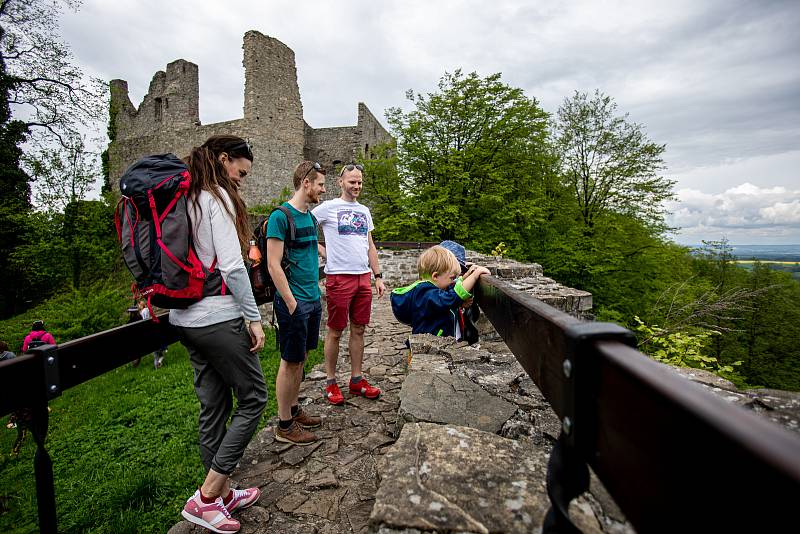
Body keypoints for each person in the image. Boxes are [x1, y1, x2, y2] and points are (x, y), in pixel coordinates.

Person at [171, 135, 267, 533]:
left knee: (213, 406)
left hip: (184, 318)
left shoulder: (187, 197)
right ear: (224, 159)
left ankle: (223, 493)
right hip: (217, 315)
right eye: (240, 172)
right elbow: (232, 266)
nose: (242, 180)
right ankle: (207, 497)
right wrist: (253, 316)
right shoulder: (217, 198)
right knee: (253, 398)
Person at [312, 163, 386, 405]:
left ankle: (356, 380)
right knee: (335, 330)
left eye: (360, 182)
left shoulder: (364, 210)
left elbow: (370, 245)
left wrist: (378, 275)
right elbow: (303, 227)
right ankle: (331, 381)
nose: (357, 186)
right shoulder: (328, 208)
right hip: (338, 277)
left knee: (359, 329)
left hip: (362, 277)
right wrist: (324, 252)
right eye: (352, 181)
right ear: (340, 182)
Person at [267, 161, 326, 445]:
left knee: (301, 358)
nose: (323, 190)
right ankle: (284, 425)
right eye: (320, 185)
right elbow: (273, 264)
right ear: (306, 183)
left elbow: (311, 248)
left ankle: (293, 409)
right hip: (294, 302)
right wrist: (291, 302)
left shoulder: (310, 218)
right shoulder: (281, 217)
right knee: (290, 361)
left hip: (312, 299)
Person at [390, 245, 491, 338]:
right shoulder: (426, 293)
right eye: (452, 278)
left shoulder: (429, 290)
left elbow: (447, 295)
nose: (454, 281)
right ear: (435, 276)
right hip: (431, 347)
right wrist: (474, 275)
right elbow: (452, 296)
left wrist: (466, 276)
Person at [137, 300, 166, 368]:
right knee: (159, 353)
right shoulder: (146, 310)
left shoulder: (144, 311)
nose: (138, 307)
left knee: (156, 352)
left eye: (139, 305)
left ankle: (157, 364)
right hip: (151, 328)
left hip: (148, 327)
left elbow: (145, 319)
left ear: (141, 305)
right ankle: (159, 362)